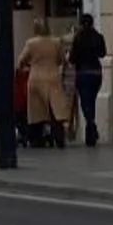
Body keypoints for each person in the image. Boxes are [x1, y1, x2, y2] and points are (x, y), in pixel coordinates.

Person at [16, 19, 71, 150]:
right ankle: (58, 135)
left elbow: (21, 60)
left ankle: (36, 138)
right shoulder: (56, 42)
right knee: (56, 109)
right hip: (52, 77)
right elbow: (62, 59)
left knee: (36, 111)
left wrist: (26, 65)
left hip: (35, 77)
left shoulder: (31, 43)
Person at [68, 12, 108, 149]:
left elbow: (72, 58)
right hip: (96, 72)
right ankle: (90, 133)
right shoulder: (98, 37)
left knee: (85, 103)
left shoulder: (78, 38)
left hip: (83, 73)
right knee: (91, 101)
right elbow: (103, 53)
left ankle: (91, 126)